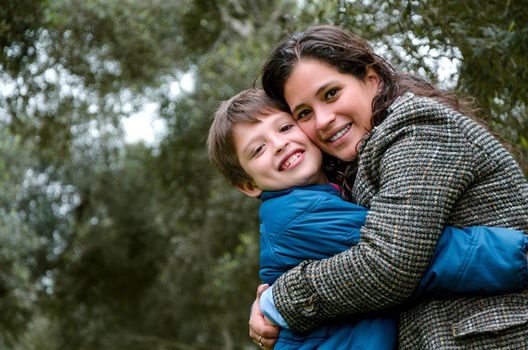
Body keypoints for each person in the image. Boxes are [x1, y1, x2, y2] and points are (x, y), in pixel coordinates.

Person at [207, 88, 528, 349]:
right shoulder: (297, 214)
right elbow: (411, 251)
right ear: (248, 185)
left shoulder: (324, 192)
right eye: (258, 149)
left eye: (286, 126)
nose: (279, 144)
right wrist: (517, 253)